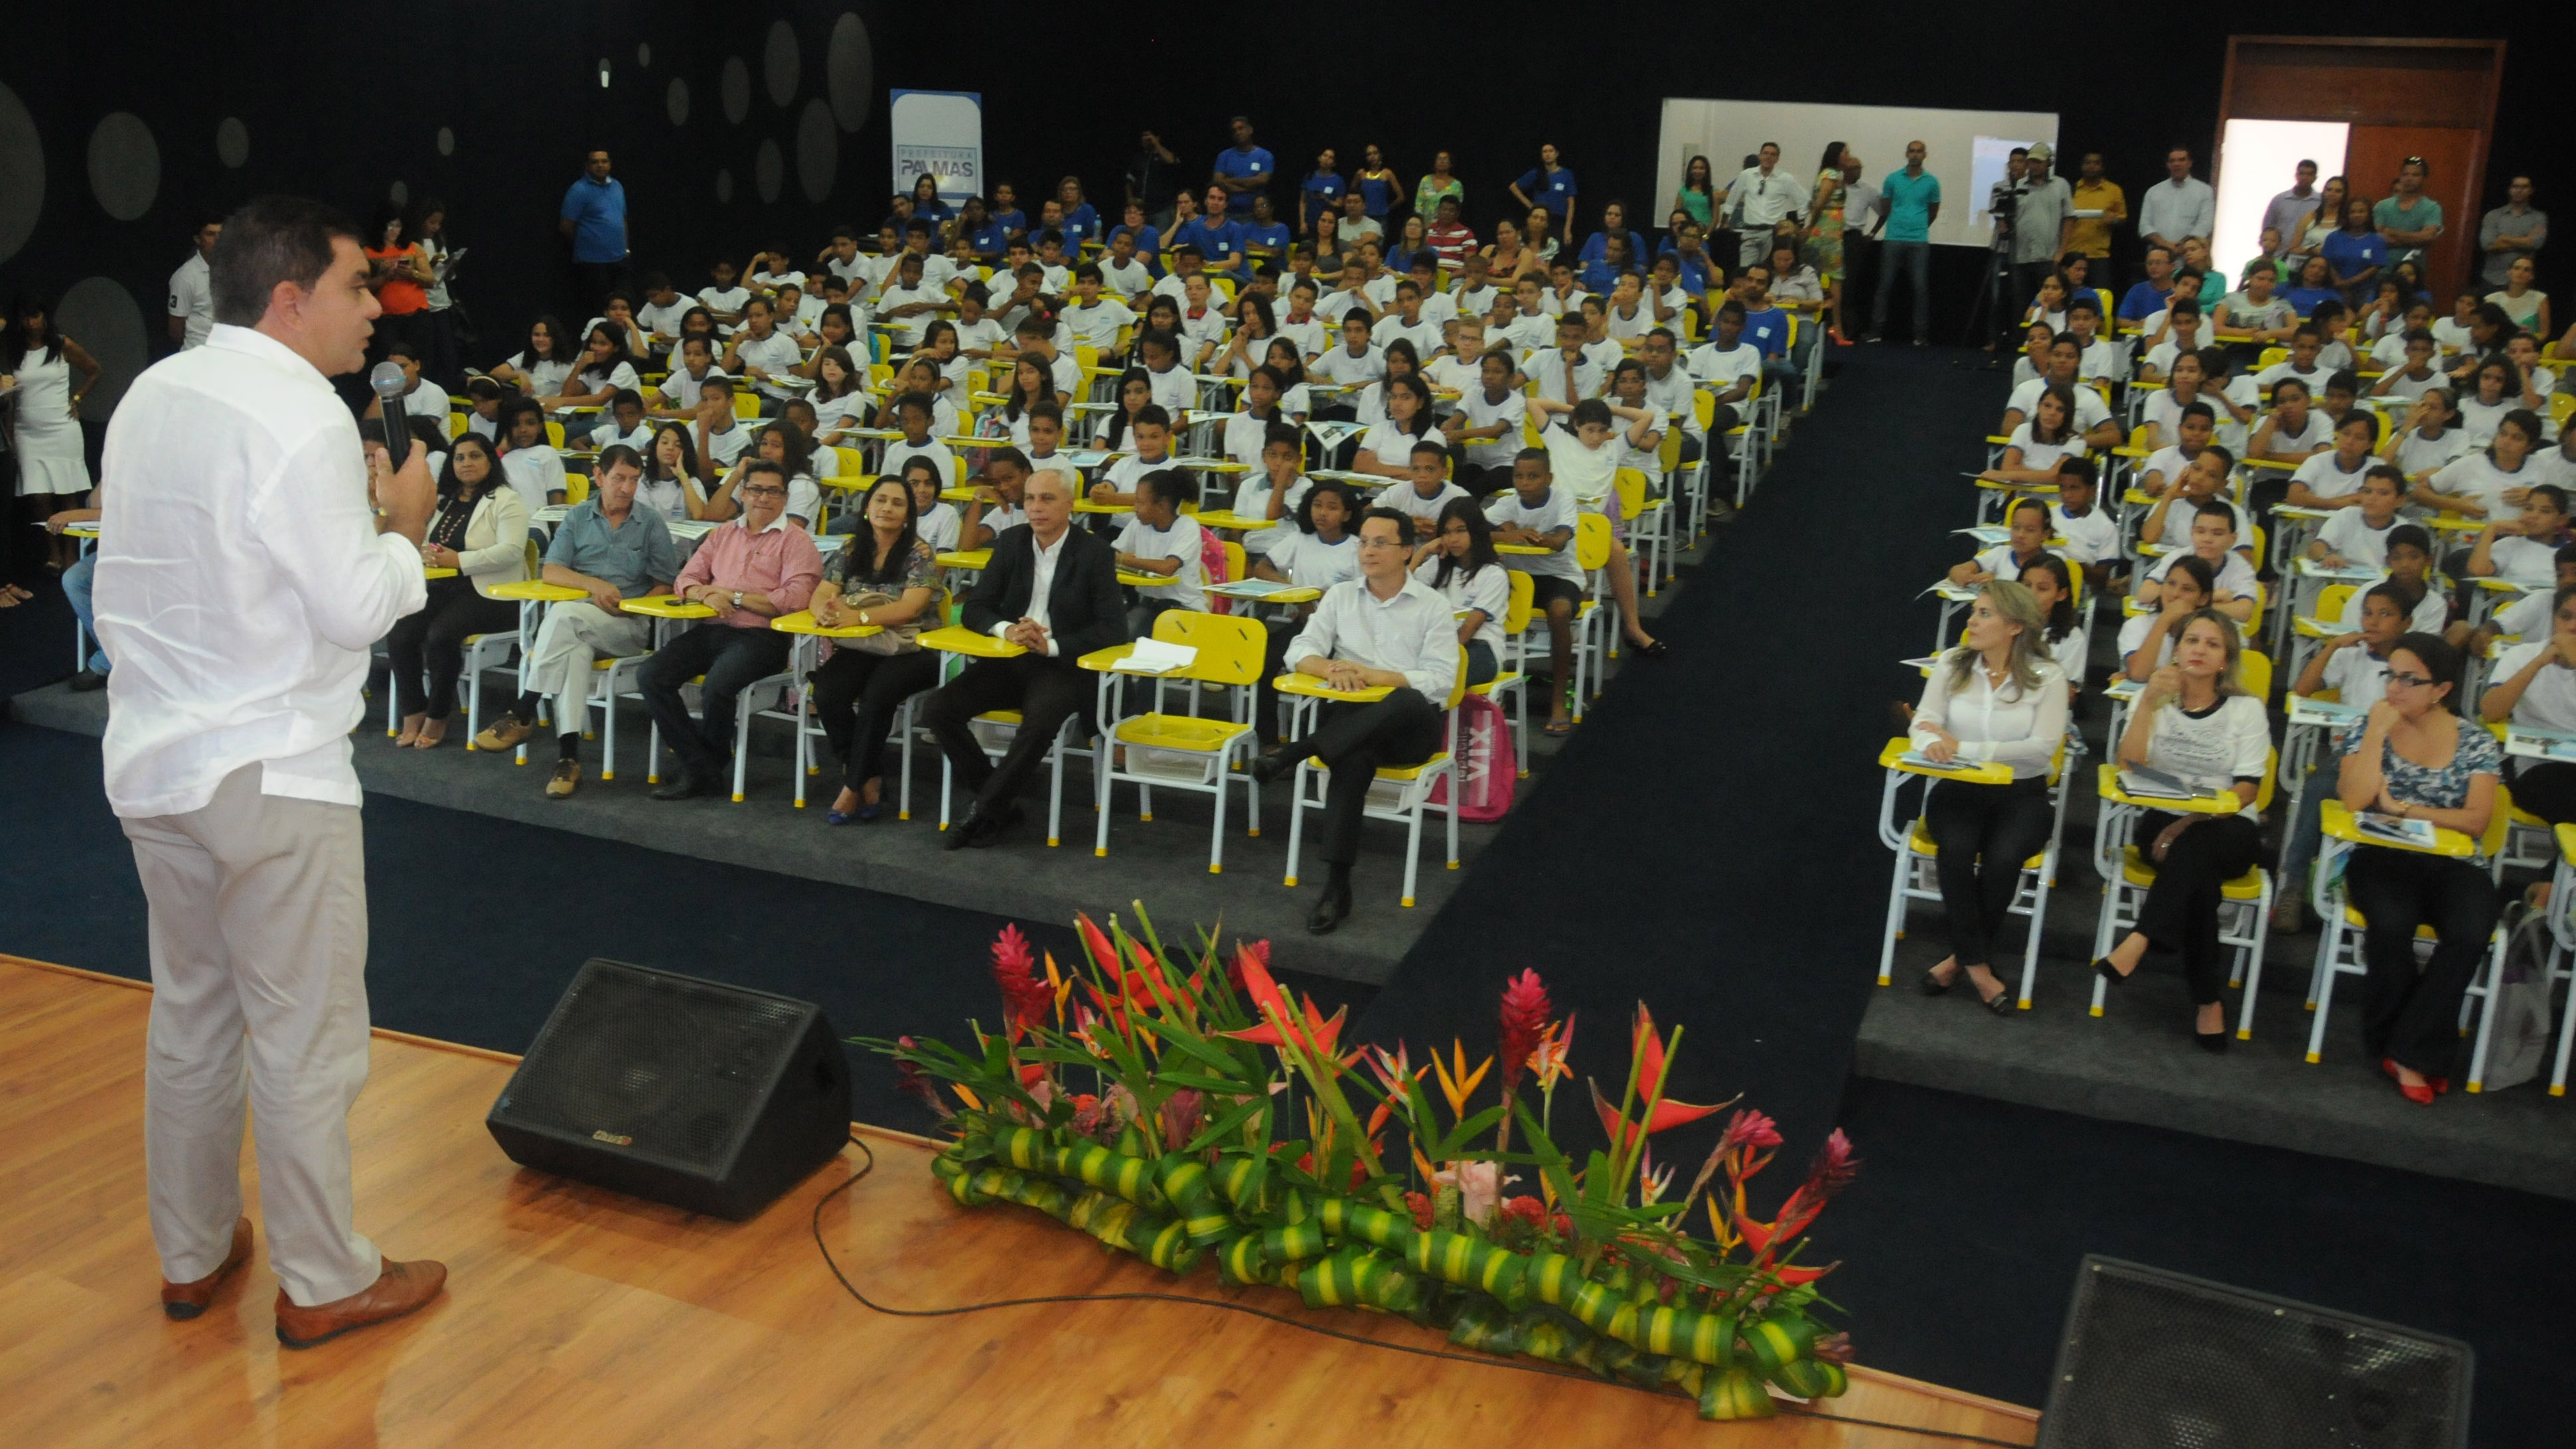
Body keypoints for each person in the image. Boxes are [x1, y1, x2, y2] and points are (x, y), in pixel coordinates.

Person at [94, 194, 447, 1345]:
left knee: (193, 1015)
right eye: (359, 288)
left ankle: (193, 1254)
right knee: (306, 1035)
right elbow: (351, 605)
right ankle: (325, 1274)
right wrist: (404, 529)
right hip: (272, 769)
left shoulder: (155, 389)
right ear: (291, 298)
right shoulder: (299, 413)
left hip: (154, 758)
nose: (378, 310)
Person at [1249, 505, 1458, 935]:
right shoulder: (1340, 596)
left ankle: (1295, 751)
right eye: (1363, 541)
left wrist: (1372, 675)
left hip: (1409, 726)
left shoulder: (1434, 606)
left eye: (1380, 542)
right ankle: (1336, 886)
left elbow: (1440, 681)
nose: (1368, 550)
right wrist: (1328, 668)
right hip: (1350, 720)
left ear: (1407, 551)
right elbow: (1299, 650)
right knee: (1353, 757)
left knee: (1404, 699)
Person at [2093, 608, 2272, 1050]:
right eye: (2191, 640)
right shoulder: (2153, 697)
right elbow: (2129, 766)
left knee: (2195, 851)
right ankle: (2207, 1001)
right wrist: (2148, 703)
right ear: (2177, 649)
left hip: (2227, 825)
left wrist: (2193, 817)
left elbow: (2247, 789)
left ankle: (2141, 935)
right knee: (2200, 885)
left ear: (2225, 659)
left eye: (2212, 644)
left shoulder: (2246, 710)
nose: (2198, 650)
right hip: (2160, 819)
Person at [2333, 633, 2501, 1102]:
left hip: (2453, 863)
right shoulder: (2368, 725)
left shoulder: (2475, 741)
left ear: (2441, 689)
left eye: (2410, 679)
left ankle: (2405, 1049)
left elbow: (2475, 820)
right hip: (2380, 856)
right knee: (2390, 924)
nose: (2395, 687)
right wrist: (2373, 733)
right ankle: (2412, 1049)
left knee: (2470, 932)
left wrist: (2403, 808)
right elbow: (2353, 800)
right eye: (2391, 675)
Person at [925, 467, 1126, 848]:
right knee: (938, 708)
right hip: (1010, 657)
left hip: (1062, 664)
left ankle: (982, 814)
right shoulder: (1011, 542)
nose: (1035, 508)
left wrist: (1050, 645)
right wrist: (1008, 630)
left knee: (1040, 722)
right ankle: (998, 804)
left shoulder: (1095, 552)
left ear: (1070, 506)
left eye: (1047, 499)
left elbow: (1113, 629)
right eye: (1030, 499)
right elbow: (976, 607)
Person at [1907, 581, 2070, 1014]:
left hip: (2022, 794)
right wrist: (1930, 744)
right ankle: (1979, 968)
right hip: (1958, 788)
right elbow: (1923, 721)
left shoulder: (2047, 676)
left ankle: (1958, 960)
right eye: (1973, 611)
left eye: (1983, 614)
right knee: (1955, 850)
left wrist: (1961, 746)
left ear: (2014, 626)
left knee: (2003, 859)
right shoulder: (1951, 663)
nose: (1970, 620)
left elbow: (2040, 747)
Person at [635, 459, 821, 801]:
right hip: (712, 629)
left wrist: (734, 597)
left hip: (763, 637)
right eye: (755, 490)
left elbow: (795, 599)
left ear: (785, 497)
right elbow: (685, 580)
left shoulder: (797, 542)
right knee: (651, 675)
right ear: (742, 492)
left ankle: (704, 768)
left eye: (772, 491)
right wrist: (706, 592)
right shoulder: (722, 534)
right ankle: (701, 766)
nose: (763, 498)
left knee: (717, 686)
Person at [809, 473, 944, 826]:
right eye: (881, 500)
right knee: (827, 690)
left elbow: (910, 609)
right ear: (867, 507)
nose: (887, 508)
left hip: (914, 648)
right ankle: (869, 776)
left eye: (898, 503)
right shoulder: (853, 548)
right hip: (864, 645)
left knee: (877, 695)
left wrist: (858, 615)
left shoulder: (920, 552)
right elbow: (822, 593)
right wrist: (822, 609)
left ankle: (852, 786)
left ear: (908, 514)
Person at [385, 434, 530, 749]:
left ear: (490, 461)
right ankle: (413, 710)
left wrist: (458, 560)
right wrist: (427, 553)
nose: (467, 463)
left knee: (441, 634)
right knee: (400, 632)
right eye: (459, 458)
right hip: (444, 587)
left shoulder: (507, 500)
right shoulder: (445, 501)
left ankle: (438, 715)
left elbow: (512, 551)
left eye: (475, 456)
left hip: (495, 594)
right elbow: (427, 540)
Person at [5, 291, 102, 571]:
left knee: (68, 491)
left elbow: (94, 369)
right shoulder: (13, 350)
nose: (31, 323)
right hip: (27, 429)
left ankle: (71, 552)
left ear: (45, 316)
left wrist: (78, 398)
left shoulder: (62, 345)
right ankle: (53, 552)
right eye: (25, 318)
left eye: (35, 316)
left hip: (62, 428)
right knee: (39, 496)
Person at [2480, 584, 2576, 828]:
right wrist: (2540, 662)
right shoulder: (2522, 655)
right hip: (2536, 768)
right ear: (2554, 619)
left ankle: (2559, 867)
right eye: (2566, 617)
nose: (2573, 626)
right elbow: (2491, 712)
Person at [1412, 497, 1507, 687]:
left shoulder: (1494, 574)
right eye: (1447, 532)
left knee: (1431, 680)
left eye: (1461, 531)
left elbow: (1469, 628)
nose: (1453, 539)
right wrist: (1423, 552)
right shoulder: (1437, 565)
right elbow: (1398, 589)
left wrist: (1439, 655)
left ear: (1476, 531)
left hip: (1481, 647)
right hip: (1438, 643)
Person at [1866, 141, 1940, 345]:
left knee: (1920, 288)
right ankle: (1875, 331)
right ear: (1907, 154)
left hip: (1918, 241)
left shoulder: (1932, 182)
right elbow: (1886, 209)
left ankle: (1920, 335)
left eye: (1919, 151)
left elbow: (1933, 211)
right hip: (1893, 238)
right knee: (1884, 286)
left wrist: (1917, 226)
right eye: (1912, 151)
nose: (1915, 155)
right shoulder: (1892, 179)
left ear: (1925, 155)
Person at [2008, 145, 2074, 339]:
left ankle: (2052, 342)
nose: (2033, 165)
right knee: (2020, 305)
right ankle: (2022, 347)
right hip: (2020, 256)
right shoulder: (2019, 185)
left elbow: (2069, 218)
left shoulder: (2060, 185)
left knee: (2050, 301)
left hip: (2049, 256)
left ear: (2049, 163)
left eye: (2039, 161)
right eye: (2031, 161)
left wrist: (2062, 252)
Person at [362, 201, 431, 365]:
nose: (394, 231)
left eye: (398, 226)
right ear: (381, 226)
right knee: (391, 361)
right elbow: (362, 286)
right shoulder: (368, 252)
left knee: (417, 360)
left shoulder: (413, 247)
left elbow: (430, 280)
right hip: (386, 318)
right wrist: (385, 275)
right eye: (390, 226)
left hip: (416, 314)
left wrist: (411, 273)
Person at [1720, 143, 1809, 269]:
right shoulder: (1747, 175)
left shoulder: (1785, 179)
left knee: (1769, 271)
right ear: (1760, 156)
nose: (1768, 157)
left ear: (1777, 159)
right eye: (1766, 153)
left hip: (1773, 233)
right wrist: (1724, 222)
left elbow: (1803, 201)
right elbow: (1731, 200)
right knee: (1746, 271)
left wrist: (1800, 225)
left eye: (1773, 154)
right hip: (1750, 231)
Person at [560, 148, 629, 304]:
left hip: (619, 259)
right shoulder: (578, 190)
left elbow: (622, 219)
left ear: (610, 164)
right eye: (595, 162)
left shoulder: (617, 186)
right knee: (599, 306)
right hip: (593, 263)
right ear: (587, 166)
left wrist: (626, 249)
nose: (600, 165)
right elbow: (566, 226)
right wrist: (585, 244)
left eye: (604, 161)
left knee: (624, 305)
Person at [2137, 147, 2216, 256]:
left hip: (2190, 256)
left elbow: (2205, 225)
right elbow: (2144, 226)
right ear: (2168, 165)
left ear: (2190, 163)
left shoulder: (2204, 191)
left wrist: (2183, 246)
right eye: (2172, 161)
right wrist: (2165, 245)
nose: (2177, 164)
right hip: (2159, 256)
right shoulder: (2154, 191)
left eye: (2182, 160)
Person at [2374, 157, 2445, 271]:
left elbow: (2428, 237)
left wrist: (2390, 231)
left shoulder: (2432, 208)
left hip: (2413, 273)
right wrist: (2415, 240)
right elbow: (2377, 239)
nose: (2409, 179)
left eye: (2415, 175)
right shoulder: (2382, 206)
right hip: (2382, 270)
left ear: (2424, 178)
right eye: (2405, 174)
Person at [2478, 175, 2547, 290]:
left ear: (2531, 190)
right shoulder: (2493, 215)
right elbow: (2487, 245)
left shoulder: (2539, 218)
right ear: (2509, 190)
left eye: (2525, 187)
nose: (2519, 190)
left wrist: (2503, 238)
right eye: (2515, 187)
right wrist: (2524, 241)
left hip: (2522, 281)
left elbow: (2535, 243)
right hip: (2493, 279)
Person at [167, 217, 222, 351]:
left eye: (221, 234)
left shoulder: (235, 270)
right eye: (210, 234)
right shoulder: (186, 276)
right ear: (198, 239)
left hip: (225, 356)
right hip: (198, 356)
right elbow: (175, 328)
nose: (218, 239)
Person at [2322, 198, 2387, 309]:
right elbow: (2327, 262)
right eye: (2352, 212)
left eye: (2361, 211)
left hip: (2366, 290)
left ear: (2369, 215)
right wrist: (2340, 284)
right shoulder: (2334, 237)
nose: (2357, 215)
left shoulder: (2377, 239)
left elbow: (2375, 267)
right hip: (2336, 288)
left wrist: (2349, 283)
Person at [2262, 161, 2326, 264]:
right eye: (2302, 173)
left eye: (2309, 174)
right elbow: (2267, 228)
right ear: (2296, 176)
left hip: (2307, 260)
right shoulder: (2280, 200)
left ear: (2315, 178)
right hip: (2278, 257)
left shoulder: (2322, 202)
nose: (2305, 177)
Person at [1510, 144, 1578, 236]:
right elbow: (1513, 187)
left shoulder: (1566, 174)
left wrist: (1567, 228)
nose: (1548, 154)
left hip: (1558, 220)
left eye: (1551, 151)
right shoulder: (1537, 173)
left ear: (1557, 154)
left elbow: (1571, 203)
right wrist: (1530, 206)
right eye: (1545, 152)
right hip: (1539, 219)